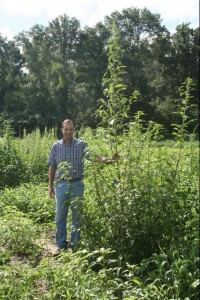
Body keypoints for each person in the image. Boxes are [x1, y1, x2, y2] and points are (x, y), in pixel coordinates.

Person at [48, 119, 119, 253]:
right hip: (61, 183)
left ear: (74, 130)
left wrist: (109, 160)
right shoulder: (56, 146)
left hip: (77, 184)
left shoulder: (81, 145)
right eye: (66, 129)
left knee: (77, 216)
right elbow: (52, 166)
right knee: (60, 216)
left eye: (71, 129)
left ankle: (75, 245)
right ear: (62, 130)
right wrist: (50, 186)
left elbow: (94, 157)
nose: (68, 132)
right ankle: (61, 245)